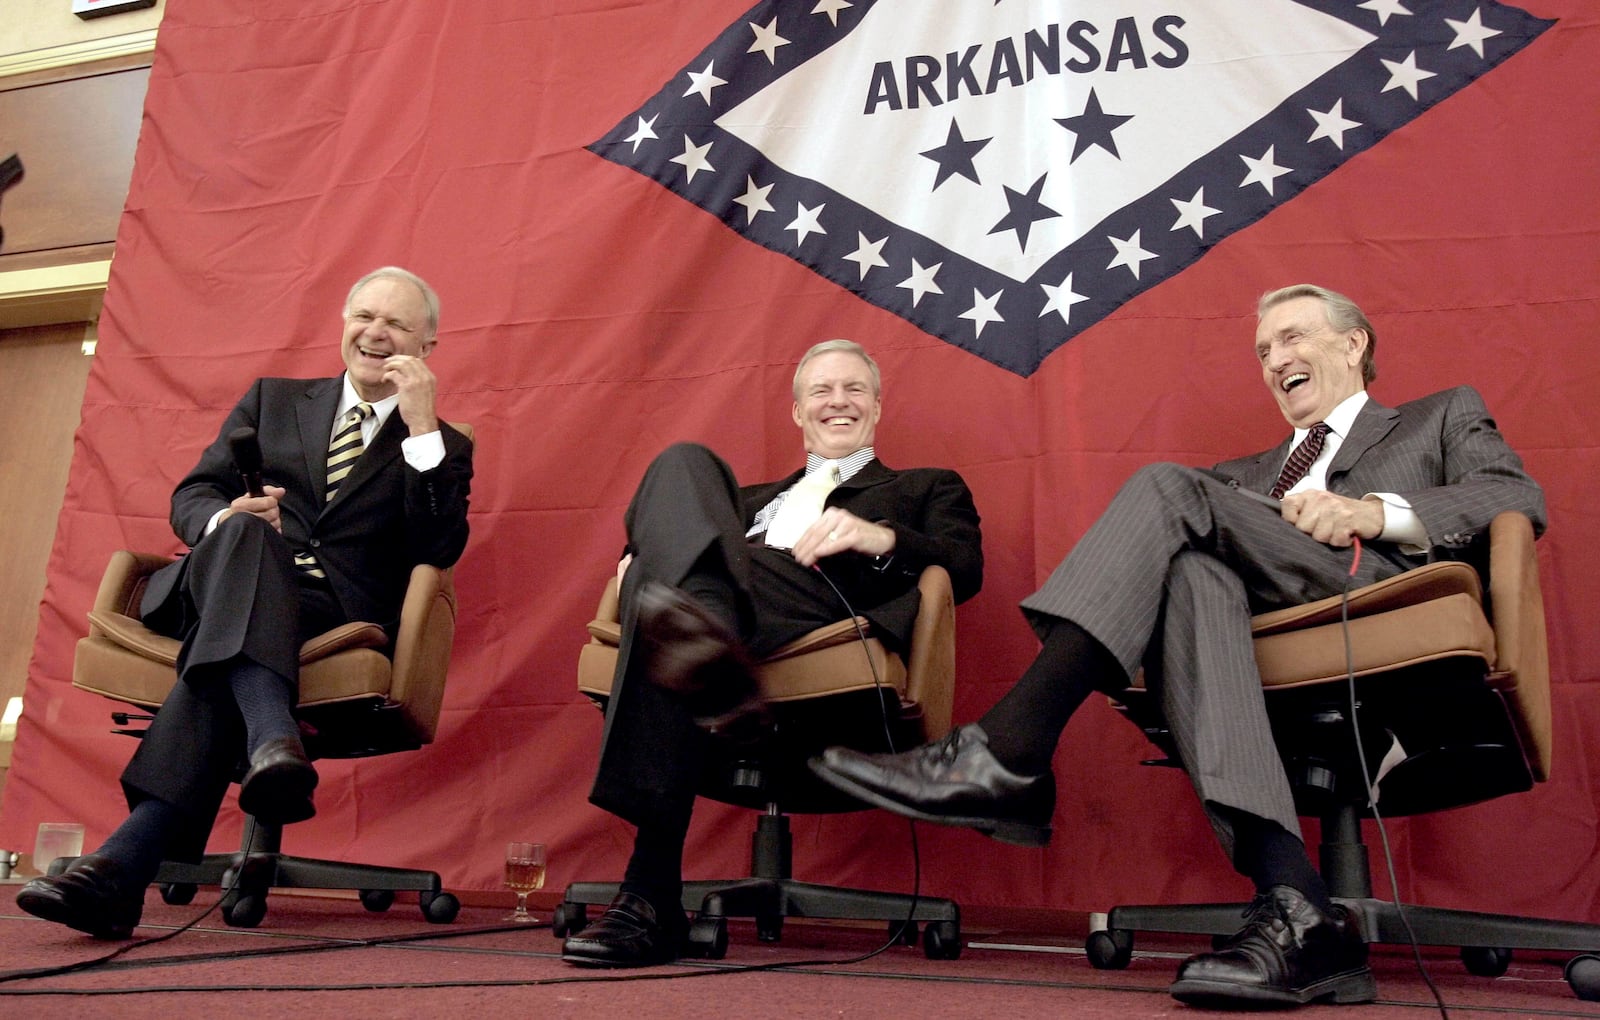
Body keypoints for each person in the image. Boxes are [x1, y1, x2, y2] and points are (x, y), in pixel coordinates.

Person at [811, 285, 1545, 1009]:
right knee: (1192, 576)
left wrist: (1370, 512)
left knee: (1168, 486)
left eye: (1292, 338)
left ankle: (1011, 748)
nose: (1273, 359)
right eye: (1263, 350)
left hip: (1381, 590)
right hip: (1244, 632)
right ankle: (1297, 905)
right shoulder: (1238, 481)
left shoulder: (1438, 416)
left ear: (1352, 345)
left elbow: (1511, 495)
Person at [18, 266, 474, 940]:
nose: (376, 333)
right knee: (248, 539)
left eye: (397, 325)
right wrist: (224, 519)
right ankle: (270, 734)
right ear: (343, 323)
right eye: (364, 317)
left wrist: (423, 426)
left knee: (232, 651)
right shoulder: (273, 399)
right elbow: (190, 495)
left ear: (426, 348)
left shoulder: (438, 443)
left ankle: (123, 864)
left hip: (326, 612)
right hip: (214, 584)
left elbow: (439, 545)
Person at [562, 339, 983, 968]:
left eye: (853, 390)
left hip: (827, 600)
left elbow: (966, 567)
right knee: (685, 462)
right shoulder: (741, 502)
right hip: (731, 593)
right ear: (796, 411)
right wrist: (640, 563)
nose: (837, 402)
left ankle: (649, 891)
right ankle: (709, 656)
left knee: (675, 610)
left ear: (876, 406)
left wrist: (879, 536)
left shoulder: (924, 487)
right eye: (821, 391)